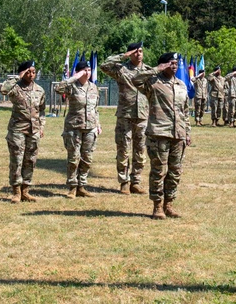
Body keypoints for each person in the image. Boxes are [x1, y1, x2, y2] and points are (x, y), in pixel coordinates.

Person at [133, 52, 191, 219]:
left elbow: (185, 111)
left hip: (178, 134)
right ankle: (157, 206)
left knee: (175, 171)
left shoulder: (181, 85)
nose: (174, 66)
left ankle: (168, 204)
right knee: (158, 171)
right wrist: (155, 69)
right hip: (159, 133)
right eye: (171, 63)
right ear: (163, 64)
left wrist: (187, 132)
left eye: (176, 63)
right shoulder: (152, 82)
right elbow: (135, 79)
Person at [99, 43, 151, 195]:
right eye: (135, 52)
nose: (139, 54)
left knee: (140, 150)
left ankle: (136, 181)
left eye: (141, 51)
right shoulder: (121, 69)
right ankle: (124, 182)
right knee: (123, 149)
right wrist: (124, 55)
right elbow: (104, 65)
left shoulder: (148, 71)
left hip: (142, 116)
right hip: (125, 116)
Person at [0, 60, 47, 203]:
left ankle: (26, 190)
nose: (31, 74)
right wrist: (17, 77)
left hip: (34, 131)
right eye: (28, 72)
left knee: (30, 160)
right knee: (17, 161)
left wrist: (41, 127)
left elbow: (42, 110)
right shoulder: (15, 88)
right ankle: (16, 191)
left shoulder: (39, 90)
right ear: (22, 73)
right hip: (17, 130)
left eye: (33, 72)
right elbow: (3, 89)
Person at [53, 60, 100, 199]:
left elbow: (95, 108)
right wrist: (74, 77)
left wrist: (98, 124)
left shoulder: (93, 87)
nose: (88, 73)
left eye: (89, 70)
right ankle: (72, 187)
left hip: (90, 127)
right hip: (74, 127)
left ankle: (82, 186)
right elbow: (58, 89)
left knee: (87, 158)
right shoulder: (71, 86)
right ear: (79, 72)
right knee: (74, 158)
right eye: (85, 70)